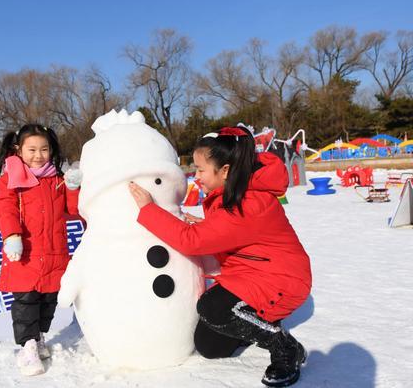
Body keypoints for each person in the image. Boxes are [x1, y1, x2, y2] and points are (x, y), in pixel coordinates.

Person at [128, 127, 311, 387]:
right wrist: (207, 225)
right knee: (210, 345)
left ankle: (284, 347)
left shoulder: (249, 203)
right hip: (251, 274)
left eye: (201, 170)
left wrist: (149, 209)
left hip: (281, 280)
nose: (197, 176)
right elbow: (236, 232)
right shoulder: (236, 192)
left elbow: (192, 242)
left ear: (224, 170)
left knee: (212, 307)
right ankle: (258, 319)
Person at [0, 124, 81, 376]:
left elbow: (72, 210)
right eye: (32, 149)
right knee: (26, 302)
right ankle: (27, 346)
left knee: (48, 300)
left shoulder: (56, 179)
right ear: (18, 150)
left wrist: (73, 188)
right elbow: (4, 208)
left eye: (44, 149)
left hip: (53, 252)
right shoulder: (11, 179)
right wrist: (11, 236)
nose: (38, 155)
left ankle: (39, 336)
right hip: (25, 253)